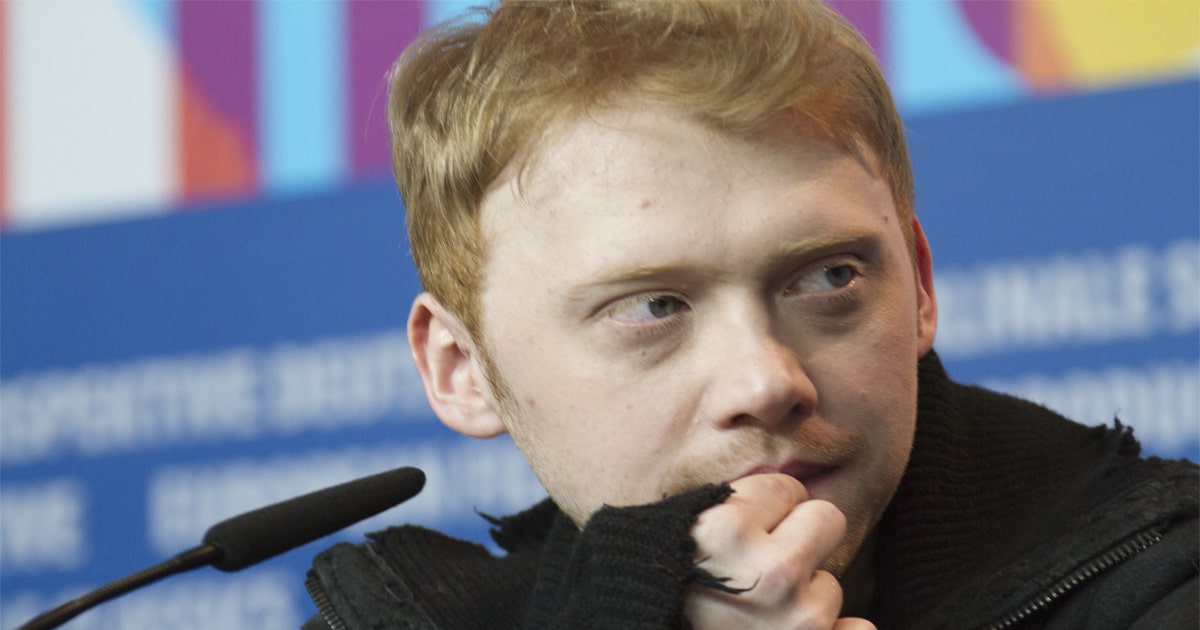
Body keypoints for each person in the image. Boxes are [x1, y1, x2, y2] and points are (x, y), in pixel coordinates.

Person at [303, 1, 1199, 628]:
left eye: (828, 278)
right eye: (653, 306)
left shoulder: (1164, 582)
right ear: (462, 370)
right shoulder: (401, 618)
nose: (768, 381)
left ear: (919, 287)